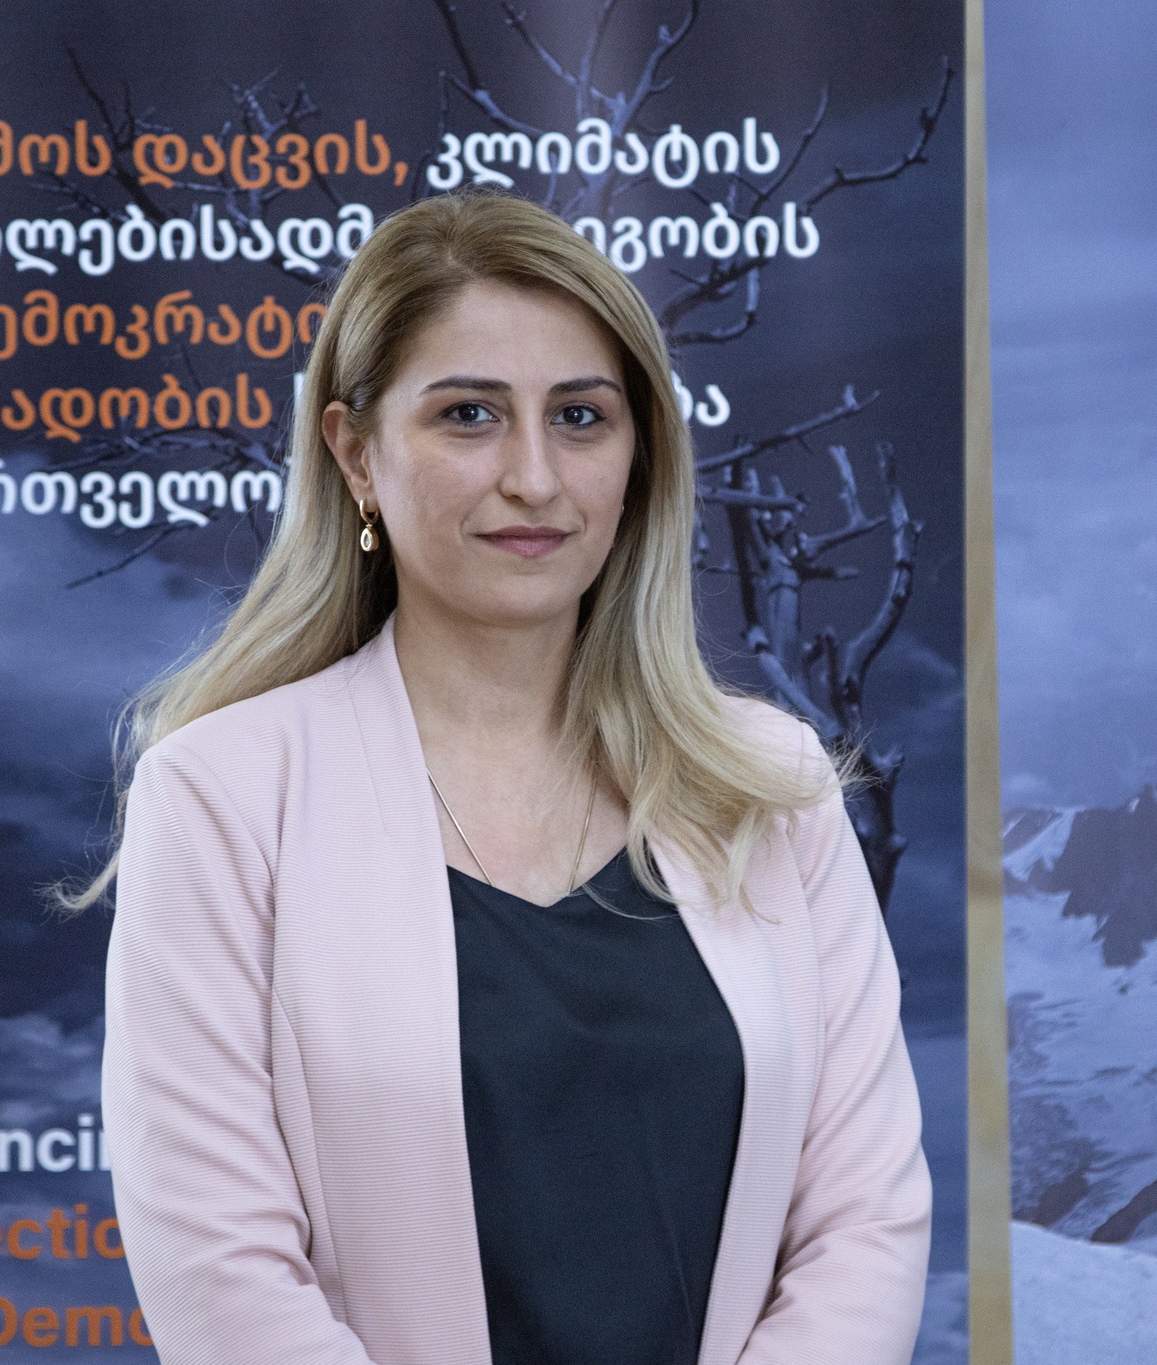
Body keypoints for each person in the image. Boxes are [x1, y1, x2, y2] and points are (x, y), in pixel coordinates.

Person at [83, 191, 931, 1365]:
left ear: (638, 456)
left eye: (580, 417)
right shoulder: (222, 797)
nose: (534, 477)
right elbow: (222, 1276)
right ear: (355, 453)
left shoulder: (771, 786)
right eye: (468, 415)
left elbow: (865, 1226)